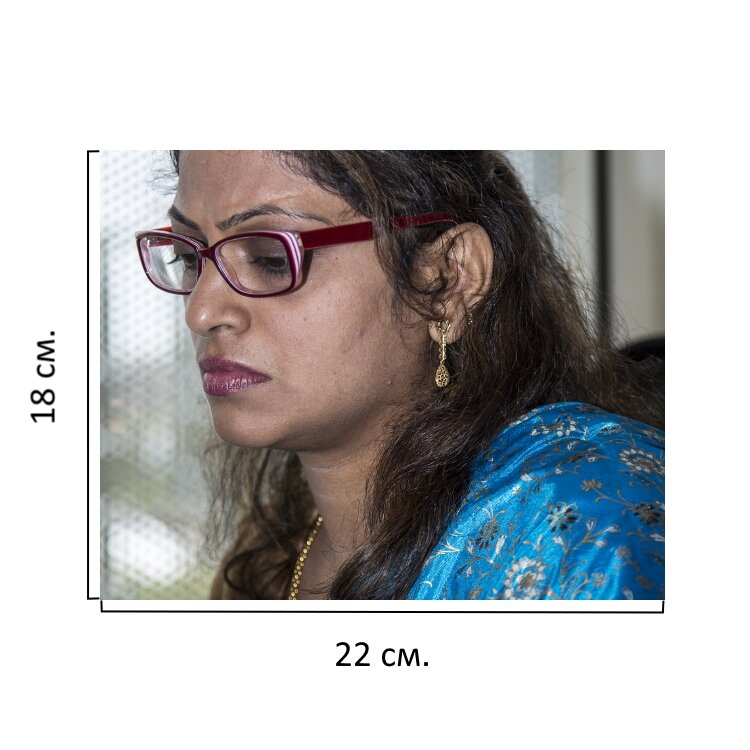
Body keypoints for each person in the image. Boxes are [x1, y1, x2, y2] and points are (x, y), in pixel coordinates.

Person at [135, 150, 665, 600]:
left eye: (270, 257)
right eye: (188, 257)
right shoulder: (275, 547)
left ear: (448, 279)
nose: (201, 311)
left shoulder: (583, 529)